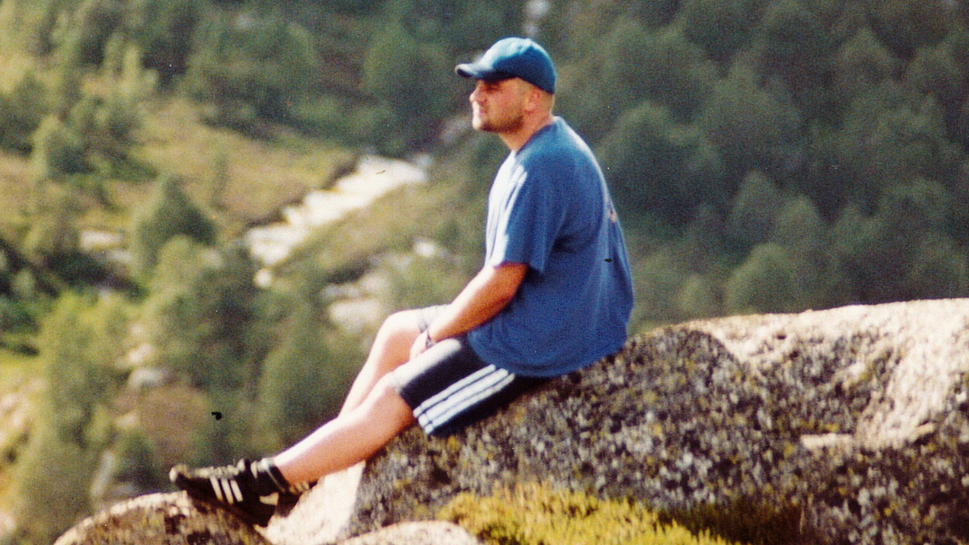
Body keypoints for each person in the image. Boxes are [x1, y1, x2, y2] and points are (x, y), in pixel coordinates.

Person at [169, 37, 634, 527]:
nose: (476, 95)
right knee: (396, 332)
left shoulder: (540, 167)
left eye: (493, 86)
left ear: (532, 99)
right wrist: (434, 334)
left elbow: (500, 285)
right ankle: (312, 474)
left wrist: (436, 338)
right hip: (556, 314)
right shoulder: (550, 148)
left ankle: (259, 485)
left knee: (395, 395)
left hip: (541, 344)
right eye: (477, 84)